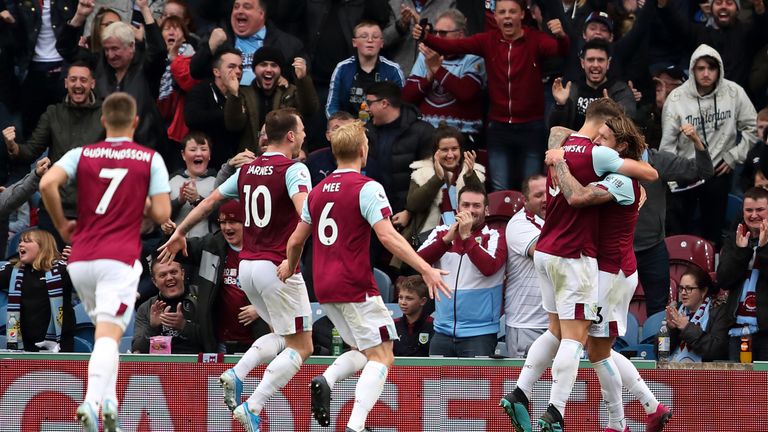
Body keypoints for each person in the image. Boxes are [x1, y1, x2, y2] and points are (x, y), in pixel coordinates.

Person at [275, 120, 450, 432]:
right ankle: (355, 427)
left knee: (362, 350)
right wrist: (425, 268)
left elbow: (295, 241)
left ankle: (326, 379)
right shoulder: (366, 188)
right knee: (383, 355)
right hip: (354, 284)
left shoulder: (316, 193)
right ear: (362, 150)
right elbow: (387, 237)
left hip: (324, 286)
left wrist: (290, 266)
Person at [502, 116, 670, 432]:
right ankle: (651, 407)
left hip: (612, 272)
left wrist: (561, 160)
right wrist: (572, 144)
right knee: (593, 347)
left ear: (620, 147)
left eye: (603, 139)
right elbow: (564, 133)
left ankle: (617, 423)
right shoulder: (605, 166)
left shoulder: (619, 179)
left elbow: (577, 196)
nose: (594, 144)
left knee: (593, 349)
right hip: (599, 267)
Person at [158, 108, 314, 431]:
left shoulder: (247, 171)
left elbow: (208, 202)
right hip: (277, 267)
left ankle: (236, 373)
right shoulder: (295, 170)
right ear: (289, 137)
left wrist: (180, 232)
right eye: (300, 131)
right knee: (304, 346)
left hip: (247, 268)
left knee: (282, 336)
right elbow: (306, 216)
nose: (303, 137)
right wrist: (292, 259)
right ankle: (253, 406)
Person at [39, 92, 171, 432]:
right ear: (135, 123)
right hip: (119, 258)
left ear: (103, 121)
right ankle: (91, 401)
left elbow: (47, 183)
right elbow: (161, 214)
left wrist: (61, 224)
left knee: (103, 334)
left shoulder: (82, 154)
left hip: (81, 259)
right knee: (109, 337)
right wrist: (141, 203)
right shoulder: (148, 158)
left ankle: (110, 401)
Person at [413, 0, 569, 191]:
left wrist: (561, 36)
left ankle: (530, 222)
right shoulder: (487, 40)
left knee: (532, 186)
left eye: (512, 12)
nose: (507, 16)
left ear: (522, 14)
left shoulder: (535, 39)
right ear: (495, 17)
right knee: (499, 187)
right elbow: (453, 46)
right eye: (502, 12)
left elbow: (561, 51)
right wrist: (425, 37)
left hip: (531, 127)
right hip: (499, 128)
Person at [660, 44, 758, 248]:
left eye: (711, 68)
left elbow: (753, 127)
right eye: (701, 68)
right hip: (685, 172)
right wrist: (671, 178)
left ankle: (712, 271)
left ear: (719, 70)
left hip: (719, 170)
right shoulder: (676, 98)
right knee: (680, 231)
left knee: (713, 231)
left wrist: (734, 156)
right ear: (692, 69)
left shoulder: (734, 92)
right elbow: (667, 145)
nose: (706, 74)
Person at [2, 61, 104, 245]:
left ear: (92, 84)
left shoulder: (105, 114)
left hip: (94, 209)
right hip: (55, 208)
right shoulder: (53, 114)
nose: (78, 85)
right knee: (50, 267)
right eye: (73, 80)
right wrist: (12, 145)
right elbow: (30, 151)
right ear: (66, 83)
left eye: (83, 80)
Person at [57, 0, 169, 153]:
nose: (110, 55)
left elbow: (159, 51)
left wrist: (144, 8)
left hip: (142, 149)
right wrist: (79, 15)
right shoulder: (99, 64)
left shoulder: (145, 68)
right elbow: (66, 48)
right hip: (103, 149)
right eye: (107, 49)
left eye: (115, 49)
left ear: (131, 46)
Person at [417, 184, 506, 357]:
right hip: (442, 330)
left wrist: (466, 237)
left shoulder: (496, 235)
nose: (470, 210)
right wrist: (446, 240)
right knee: (437, 384)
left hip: (480, 333)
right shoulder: (441, 232)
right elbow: (417, 261)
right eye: (465, 205)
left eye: (476, 206)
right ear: (458, 208)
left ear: (486, 210)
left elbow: (489, 267)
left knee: (476, 384)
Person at [636, 122, 714, 318]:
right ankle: (607, 349)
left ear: (642, 141)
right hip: (618, 248)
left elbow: (703, 171)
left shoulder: (659, 161)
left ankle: (659, 349)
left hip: (652, 248)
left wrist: (697, 141)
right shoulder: (607, 162)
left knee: (659, 309)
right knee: (611, 306)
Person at [173, 199, 268, 353]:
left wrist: (261, 308)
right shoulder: (212, 245)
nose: (226, 227)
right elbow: (182, 250)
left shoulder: (264, 251)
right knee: (222, 379)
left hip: (258, 342)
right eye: (222, 222)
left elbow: (285, 289)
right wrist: (170, 234)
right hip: (221, 343)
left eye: (233, 221)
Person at [402, 9, 485, 144]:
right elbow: (406, 97)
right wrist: (428, 78)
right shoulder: (425, 55)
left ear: (461, 34)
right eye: (435, 32)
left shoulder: (474, 58)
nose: (437, 38)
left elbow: (466, 93)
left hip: (462, 136)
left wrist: (437, 69)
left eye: (443, 33)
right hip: (426, 134)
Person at [364, 81, 434, 231]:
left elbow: (426, 179)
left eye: (369, 103)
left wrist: (409, 211)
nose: (366, 108)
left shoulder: (422, 132)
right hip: (371, 214)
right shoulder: (366, 132)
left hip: (406, 217)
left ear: (384, 103)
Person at [404, 126, 485, 253]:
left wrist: (470, 176)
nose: (450, 155)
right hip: (428, 239)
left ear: (461, 150)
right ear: (435, 152)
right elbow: (413, 205)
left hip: (466, 235)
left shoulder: (474, 172)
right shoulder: (422, 172)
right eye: (444, 150)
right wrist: (437, 178)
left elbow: (483, 206)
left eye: (454, 149)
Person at [224, 46, 320, 151]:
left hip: (285, 156)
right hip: (251, 157)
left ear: (280, 70)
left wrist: (302, 80)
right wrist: (234, 95)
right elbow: (233, 125)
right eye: (263, 64)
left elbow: (310, 109)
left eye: (274, 65)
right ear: (254, 69)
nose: (269, 69)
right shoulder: (242, 94)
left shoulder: (291, 92)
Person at [656, 0, 767, 90]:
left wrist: (759, 6)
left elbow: (762, 30)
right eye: (718, 3)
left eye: (729, 3)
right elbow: (676, 25)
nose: (723, 6)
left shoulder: (747, 34)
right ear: (711, 9)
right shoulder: (699, 33)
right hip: (705, 102)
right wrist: (664, 4)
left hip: (738, 102)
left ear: (737, 10)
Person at [189, 0, 306, 86]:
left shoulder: (288, 44)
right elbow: (195, 72)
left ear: (261, 14)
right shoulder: (218, 38)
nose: (239, 11)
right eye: (236, 7)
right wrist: (209, 48)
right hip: (226, 108)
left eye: (247, 7)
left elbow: (300, 86)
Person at [0, 229, 74, 352]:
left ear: (43, 247)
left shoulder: (62, 269)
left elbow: (90, 284)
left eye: (27, 241)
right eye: (20, 242)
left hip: (59, 346)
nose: (20, 245)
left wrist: (77, 263)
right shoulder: (12, 270)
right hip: (24, 346)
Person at [716, 187, 768, 362]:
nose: (754, 215)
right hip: (737, 331)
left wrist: (763, 248)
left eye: (760, 209)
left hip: (765, 332)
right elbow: (723, 280)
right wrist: (741, 251)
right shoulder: (734, 240)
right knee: (737, 387)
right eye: (749, 210)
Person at [503, 174, 548, 358]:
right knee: (528, 385)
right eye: (538, 195)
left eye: (549, 193)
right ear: (525, 200)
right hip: (527, 324)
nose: (545, 199)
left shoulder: (559, 220)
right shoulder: (518, 224)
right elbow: (545, 254)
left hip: (558, 323)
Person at [548, 38, 636, 131]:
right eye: (590, 60)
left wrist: (612, 113)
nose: (595, 65)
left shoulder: (621, 90)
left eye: (600, 60)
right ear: (583, 63)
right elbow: (554, 129)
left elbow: (628, 128)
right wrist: (560, 106)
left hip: (606, 145)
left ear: (608, 63)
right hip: (575, 143)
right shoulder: (572, 90)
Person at [326, 20, 404, 118]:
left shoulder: (393, 70)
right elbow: (332, 107)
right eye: (364, 36)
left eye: (375, 37)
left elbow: (402, 107)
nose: (370, 40)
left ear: (382, 43)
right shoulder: (342, 68)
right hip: (349, 128)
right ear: (354, 42)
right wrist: (343, 127)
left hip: (383, 128)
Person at [184, 47, 244, 167]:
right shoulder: (200, 91)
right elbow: (192, 118)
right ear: (216, 72)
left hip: (234, 161)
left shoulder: (243, 94)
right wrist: (227, 113)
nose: (238, 71)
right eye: (231, 66)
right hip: (204, 163)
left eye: (240, 67)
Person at [132, 258, 206, 354]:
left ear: (182, 274)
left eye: (174, 272)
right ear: (154, 282)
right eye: (163, 275)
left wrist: (184, 326)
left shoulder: (202, 297)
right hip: (160, 365)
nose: (169, 278)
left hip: (197, 364)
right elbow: (137, 350)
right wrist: (152, 328)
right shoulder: (147, 307)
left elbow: (213, 342)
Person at [667, 265, 732, 362]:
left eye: (689, 288)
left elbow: (717, 350)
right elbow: (659, 352)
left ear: (703, 291)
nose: (683, 293)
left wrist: (686, 328)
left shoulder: (718, 311)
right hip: (675, 372)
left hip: (707, 374)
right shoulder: (676, 310)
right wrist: (671, 330)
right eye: (681, 288)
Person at [382, 0, 456, 75]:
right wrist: (401, 25)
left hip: (431, 73)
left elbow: (451, 42)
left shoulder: (447, 3)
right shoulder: (396, 2)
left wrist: (428, 30)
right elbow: (384, 40)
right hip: (399, 73)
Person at [169, 133, 217, 238]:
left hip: (207, 250)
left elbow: (224, 217)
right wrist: (179, 201)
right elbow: (161, 217)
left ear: (210, 155)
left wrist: (198, 200)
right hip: (175, 248)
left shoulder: (218, 182)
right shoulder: (171, 181)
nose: (198, 154)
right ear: (183, 155)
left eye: (203, 149)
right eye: (193, 150)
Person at [393, 275, 434, 357]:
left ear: (423, 301)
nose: (403, 302)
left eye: (409, 298)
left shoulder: (434, 326)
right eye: (400, 297)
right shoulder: (393, 326)